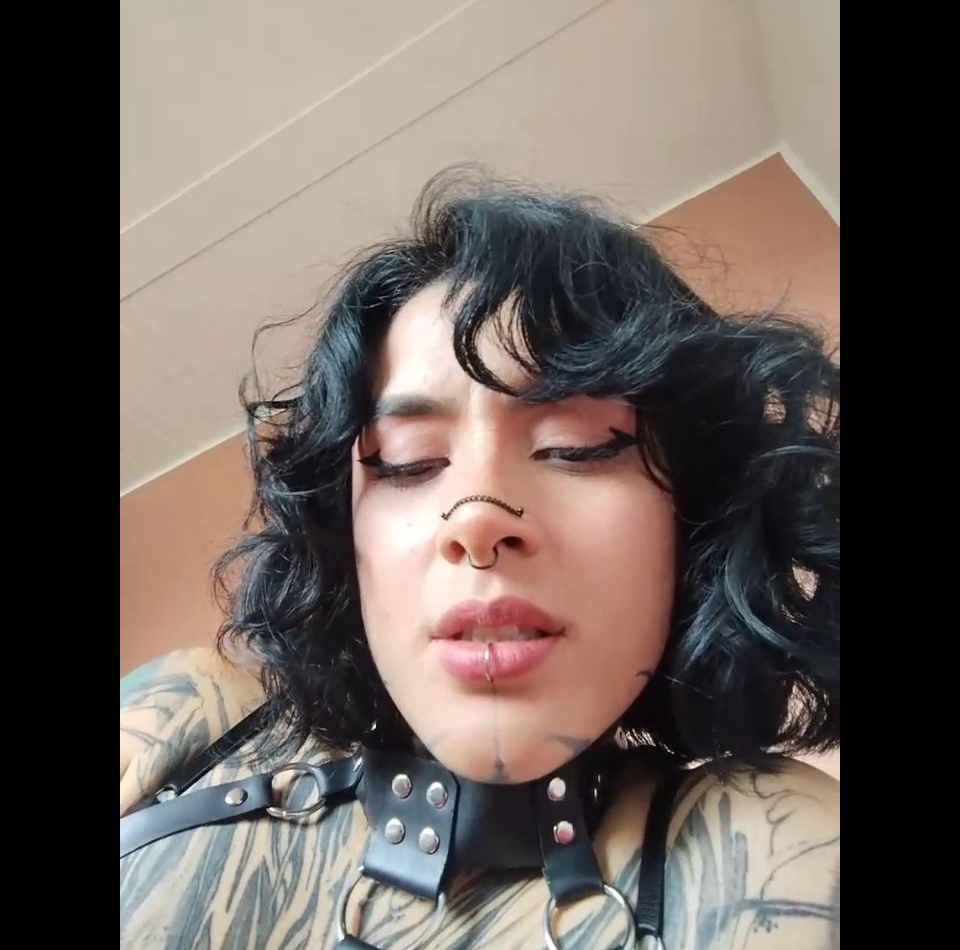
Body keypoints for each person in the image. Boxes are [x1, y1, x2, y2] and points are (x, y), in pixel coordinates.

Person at [120, 170, 840, 950]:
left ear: (693, 519)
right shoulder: (186, 718)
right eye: (406, 461)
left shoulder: (774, 851)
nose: (478, 520)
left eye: (578, 446)